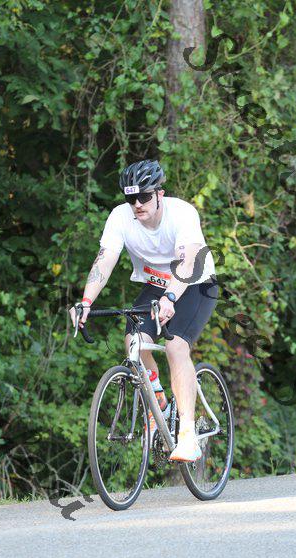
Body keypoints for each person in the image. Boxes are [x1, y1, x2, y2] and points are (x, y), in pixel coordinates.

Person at [70, 159, 219, 462]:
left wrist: (171, 298)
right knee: (133, 342)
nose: (137, 204)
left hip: (195, 284)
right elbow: (105, 260)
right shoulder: (120, 217)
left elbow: (187, 263)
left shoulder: (182, 213)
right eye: (131, 198)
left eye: (144, 197)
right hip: (155, 284)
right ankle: (159, 402)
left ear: (159, 194)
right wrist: (86, 301)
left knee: (176, 346)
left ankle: (187, 435)